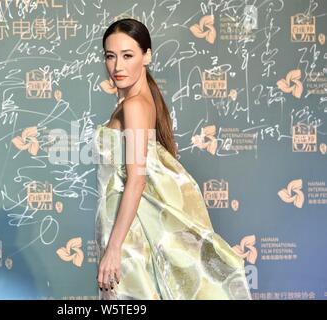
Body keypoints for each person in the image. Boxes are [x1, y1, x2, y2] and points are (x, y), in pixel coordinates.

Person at [93, 18, 252, 300]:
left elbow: (137, 179)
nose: (117, 66)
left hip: (128, 236)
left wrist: (114, 248)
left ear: (147, 56)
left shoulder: (135, 106)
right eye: (110, 56)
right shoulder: (136, 102)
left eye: (128, 55)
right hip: (125, 228)